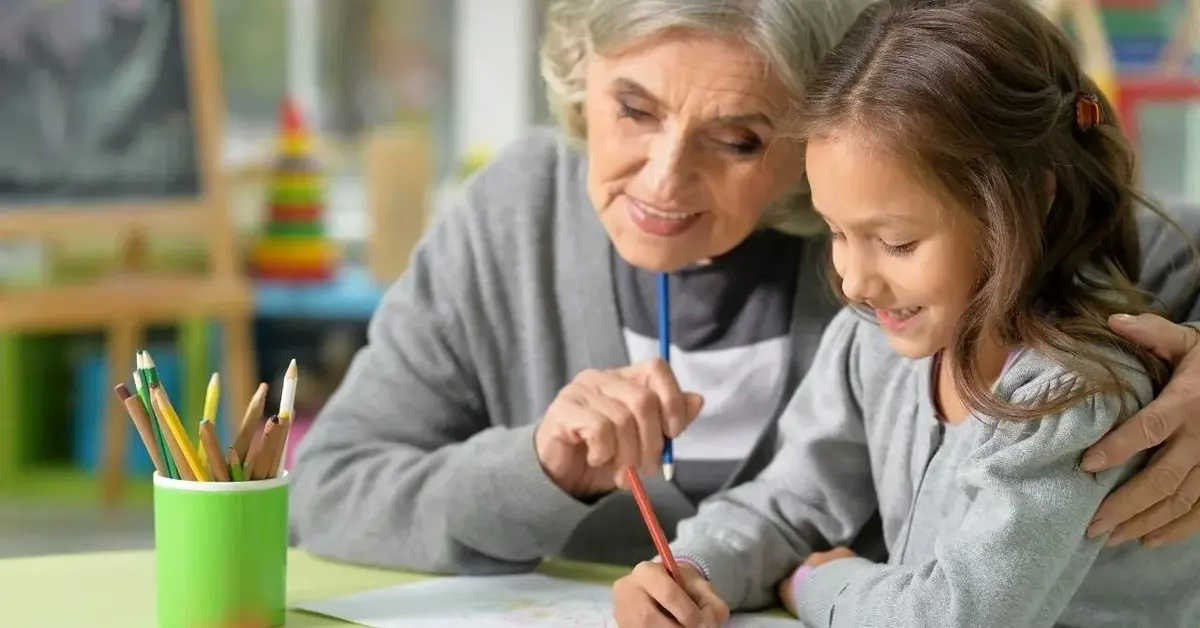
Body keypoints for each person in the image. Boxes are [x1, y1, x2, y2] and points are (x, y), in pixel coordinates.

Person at [289, 0, 1200, 574]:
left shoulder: (900, 215)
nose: (662, 182)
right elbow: (328, 491)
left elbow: (1130, 224)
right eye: (633, 110)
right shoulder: (512, 216)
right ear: (582, 78)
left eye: (738, 140)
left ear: (823, 141)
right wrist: (540, 471)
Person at [610, 1, 1200, 626]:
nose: (855, 281)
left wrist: (817, 581)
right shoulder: (871, 342)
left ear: (1033, 199)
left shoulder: (1069, 398)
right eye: (837, 232)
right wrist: (689, 570)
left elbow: (953, 617)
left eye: (896, 242)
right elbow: (789, 501)